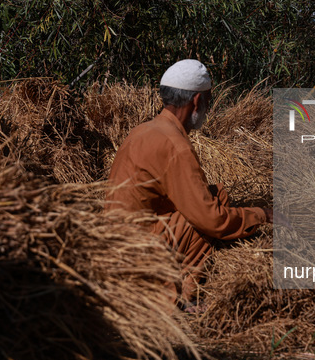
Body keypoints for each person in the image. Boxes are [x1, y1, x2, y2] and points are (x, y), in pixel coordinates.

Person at [105, 59, 273, 309]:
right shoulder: (175, 145)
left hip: (111, 245)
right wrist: (261, 215)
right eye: (207, 101)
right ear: (197, 101)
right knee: (211, 210)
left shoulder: (143, 130)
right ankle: (181, 298)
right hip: (136, 252)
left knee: (216, 197)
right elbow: (211, 219)